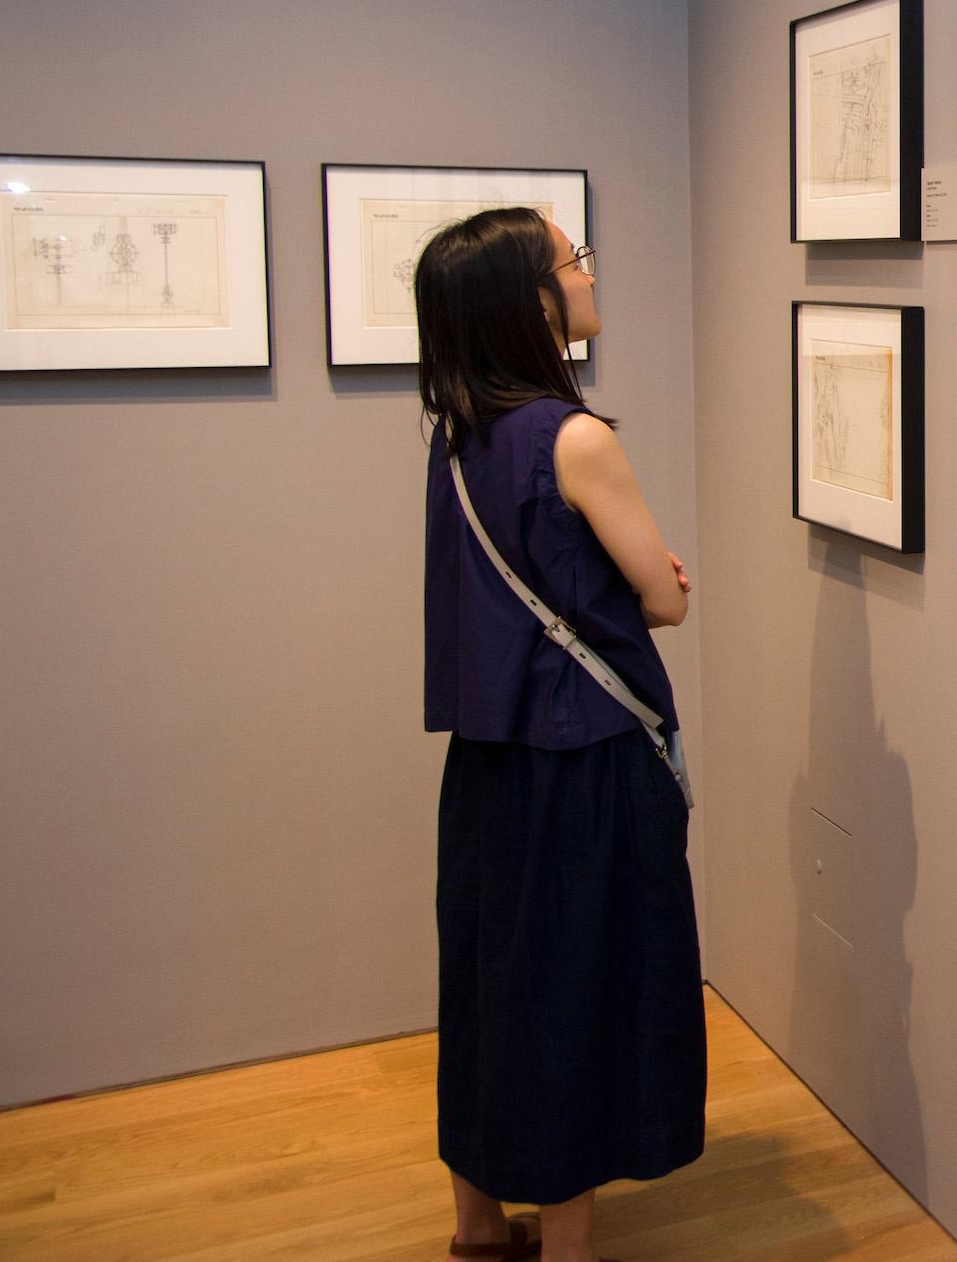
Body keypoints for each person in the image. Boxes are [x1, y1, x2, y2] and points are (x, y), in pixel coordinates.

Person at [414, 207, 704, 1262]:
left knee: (489, 980)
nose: (587, 272)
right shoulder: (576, 438)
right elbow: (663, 599)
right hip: (581, 763)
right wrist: (658, 584)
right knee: (572, 988)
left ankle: (478, 1223)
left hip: (488, 761)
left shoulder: (459, 434)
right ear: (534, 301)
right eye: (572, 258)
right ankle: (570, 1245)